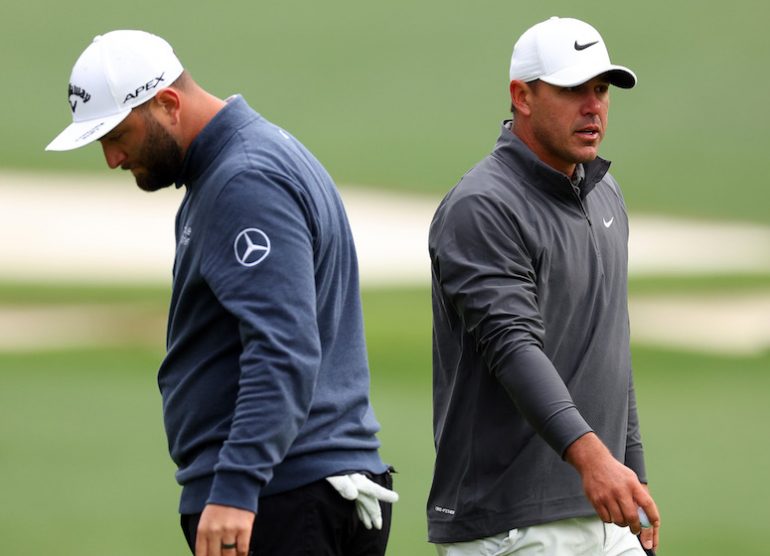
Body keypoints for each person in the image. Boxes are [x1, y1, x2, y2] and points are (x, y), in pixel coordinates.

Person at [46, 30, 397, 556]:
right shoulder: (245, 161)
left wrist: (235, 486)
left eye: (118, 135)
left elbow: (283, 348)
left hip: (277, 499)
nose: (112, 159)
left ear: (167, 104)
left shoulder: (243, 181)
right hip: (293, 493)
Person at [427, 16, 660, 555]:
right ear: (522, 96)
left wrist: (633, 471)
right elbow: (512, 347)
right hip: (512, 527)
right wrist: (596, 461)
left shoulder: (604, 195)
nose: (593, 106)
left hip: (604, 508)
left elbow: (610, 344)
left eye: (601, 90)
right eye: (573, 89)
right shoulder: (482, 207)